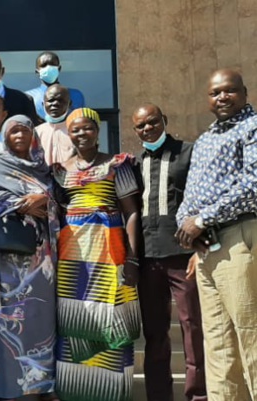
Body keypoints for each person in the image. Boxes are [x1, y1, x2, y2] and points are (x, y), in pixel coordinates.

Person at [175, 69, 257, 400]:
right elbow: (191, 193)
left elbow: (253, 185)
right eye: (215, 93)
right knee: (218, 342)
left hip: (240, 237)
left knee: (250, 332)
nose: (222, 97)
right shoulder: (205, 139)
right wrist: (187, 226)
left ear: (244, 93)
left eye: (229, 91)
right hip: (208, 249)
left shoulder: (252, 128)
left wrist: (203, 219)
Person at [0, 115, 58, 401]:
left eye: (24, 131)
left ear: (34, 136)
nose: (19, 135)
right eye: (13, 131)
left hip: (40, 267)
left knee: (38, 325)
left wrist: (46, 200)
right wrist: (20, 204)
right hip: (1, 268)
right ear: (5, 137)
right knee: (3, 325)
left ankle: (37, 387)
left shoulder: (45, 170)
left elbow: (63, 207)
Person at [53, 108, 141, 401]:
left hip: (110, 253)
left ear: (98, 130)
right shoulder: (61, 169)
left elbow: (131, 213)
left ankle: (110, 393)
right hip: (72, 258)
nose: (82, 134)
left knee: (112, 322)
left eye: (87, 128)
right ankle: (76, 392)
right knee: (75, 324)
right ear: (69, 134)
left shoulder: (117, 164)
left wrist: (133, 258)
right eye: (75, 129)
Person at [132, 104, 206, 401]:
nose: (147, 129)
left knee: (192, 327)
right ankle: (159, 395)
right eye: (141, 126)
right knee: (154, 332)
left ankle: (198, 395)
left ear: (164, 120)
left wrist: (200, 247)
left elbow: (202, 197)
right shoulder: (134, 163)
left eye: (152, 122)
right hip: (148, 258)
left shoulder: (188, 152)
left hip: (182, 255)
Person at [24, 52, 86, 121]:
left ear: (59, 69)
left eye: (52, 64)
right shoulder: (27, 97)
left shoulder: (76, 95)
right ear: (37, 71)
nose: (48, 68)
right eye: (44, 65)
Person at [35, 84, 75, 165]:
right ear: (43, 104)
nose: (55, 103)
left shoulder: (76, 131)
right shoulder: (36, 132)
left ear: (69, 104)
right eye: (51, 100)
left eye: (60, 100)